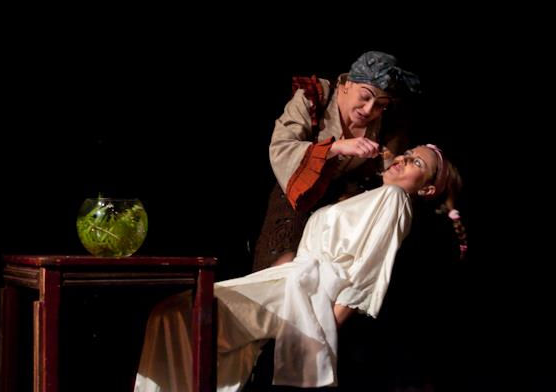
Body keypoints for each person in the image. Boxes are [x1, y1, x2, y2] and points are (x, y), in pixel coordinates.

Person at [134, 144, 462, 392]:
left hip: (303, 294)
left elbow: (367, 271)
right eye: (407, 153)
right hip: (288, 280)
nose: (403, 159)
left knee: (177, 314)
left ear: (427, 189)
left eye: (417, 162)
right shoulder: (369, 197)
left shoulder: (394, 199)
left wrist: (324, 329)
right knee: (172, 314)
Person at [253, 50, 422, 271]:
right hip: (298, 195)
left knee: (328, 274)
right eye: (365, 96)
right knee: (282, 267)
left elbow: (390, 169)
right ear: (347, 83)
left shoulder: (387, 121)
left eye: (380, 104)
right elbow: (282, 146)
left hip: (342, 206)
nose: (369, 109)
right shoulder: (315, 97)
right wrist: (334, 148)